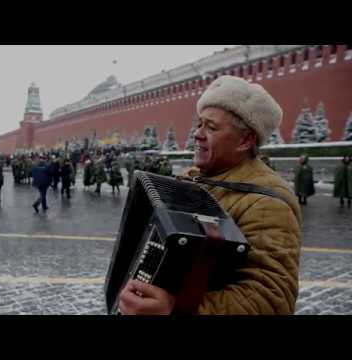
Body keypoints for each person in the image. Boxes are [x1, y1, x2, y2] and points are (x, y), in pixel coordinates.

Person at [118, 75, 301, 315]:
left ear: (245, 140)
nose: (197, 134)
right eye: (199, 124)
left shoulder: (267, 204)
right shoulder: (192, 179)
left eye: (211, 127)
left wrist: (175, 310)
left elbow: (272, 299)